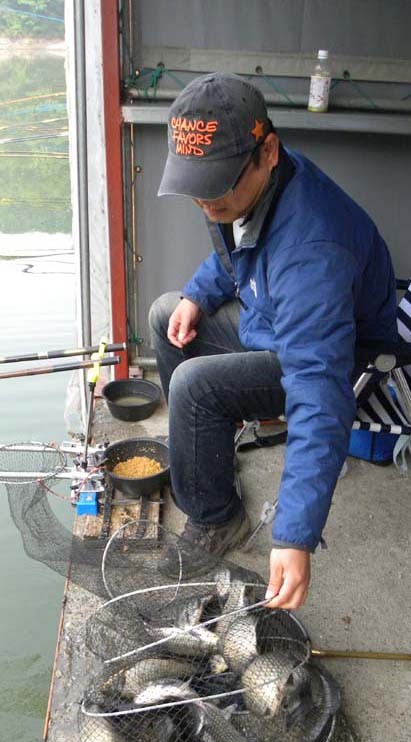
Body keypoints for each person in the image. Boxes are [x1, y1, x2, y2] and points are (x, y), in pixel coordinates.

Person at [149, 72, 397, 609]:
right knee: (167, 313)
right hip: (275, 321)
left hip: (340, 357)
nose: (205, 201)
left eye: (217, 184)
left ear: (268, 151)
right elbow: (239, 254)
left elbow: (320, 389)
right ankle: (206, 461)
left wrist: (294, 535)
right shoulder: (252, 185)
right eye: (195, 185)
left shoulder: (313, 251)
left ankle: (219, 519)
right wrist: (197, 295)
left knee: (194, 386)